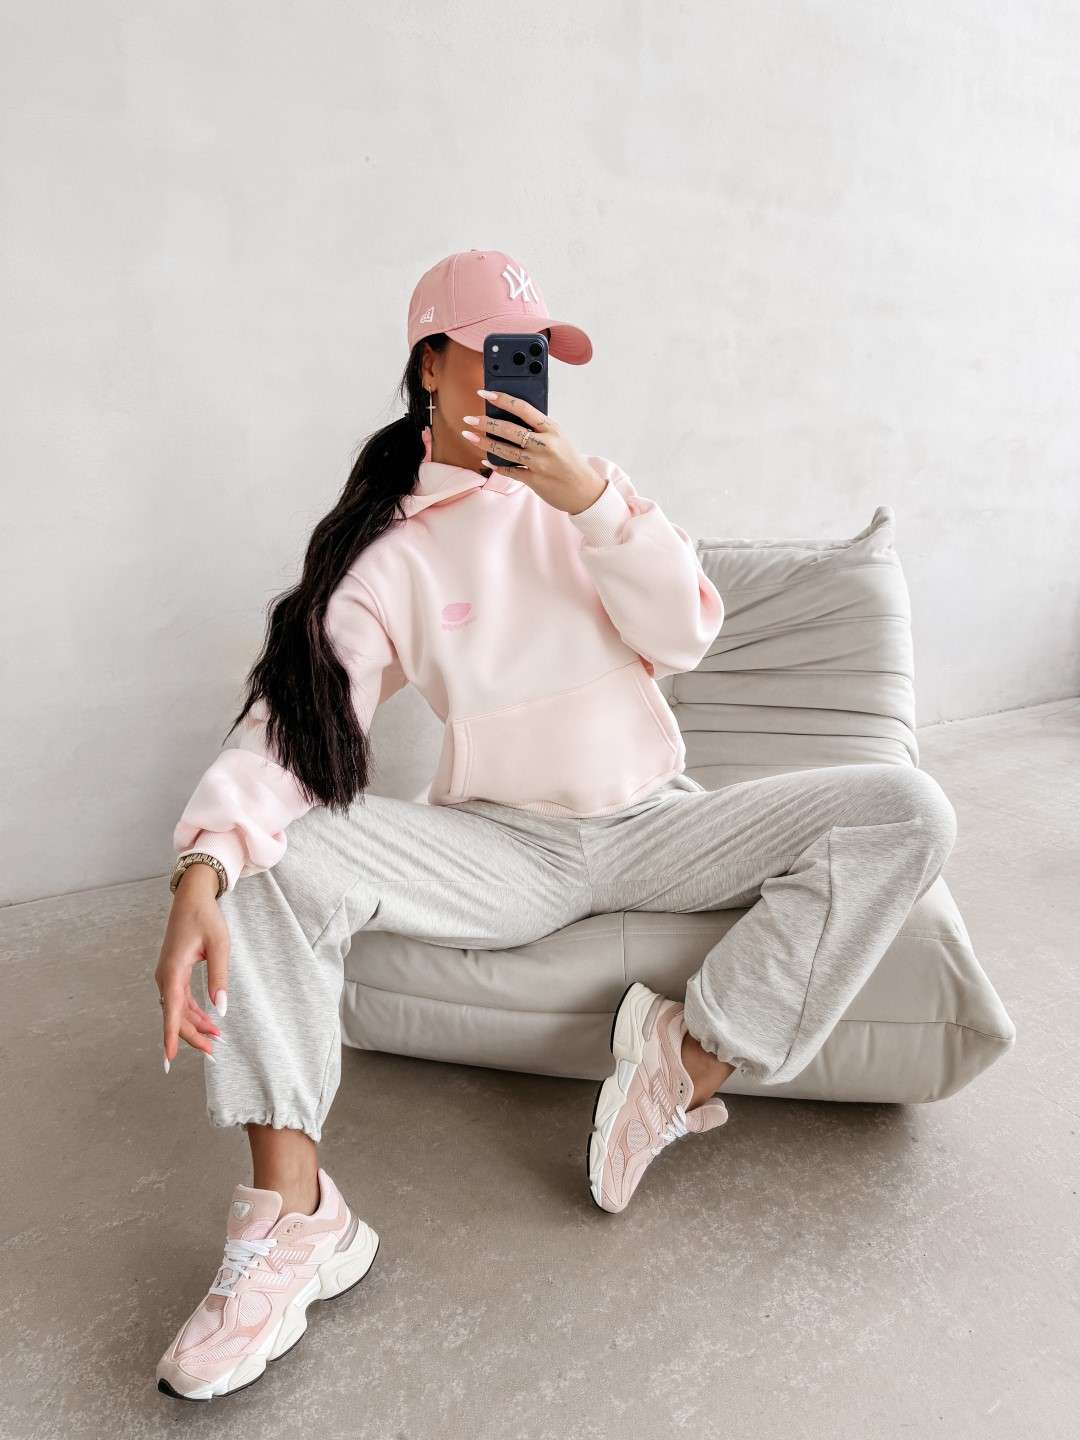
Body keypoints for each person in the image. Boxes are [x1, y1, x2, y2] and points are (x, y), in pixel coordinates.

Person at [153, 248, 958, 1401]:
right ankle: (296, 1219)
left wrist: (593, 503)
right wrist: (203, 865)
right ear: (431, 367)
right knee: (276, 858)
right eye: (497, 354)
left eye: (535, 358)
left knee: (908, 810)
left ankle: (686, 1060)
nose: (520, 379)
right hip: (507, 851)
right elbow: (299, 725)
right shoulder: (388, 558)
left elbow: (686, 633)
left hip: (659, 825)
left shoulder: (589, 499)